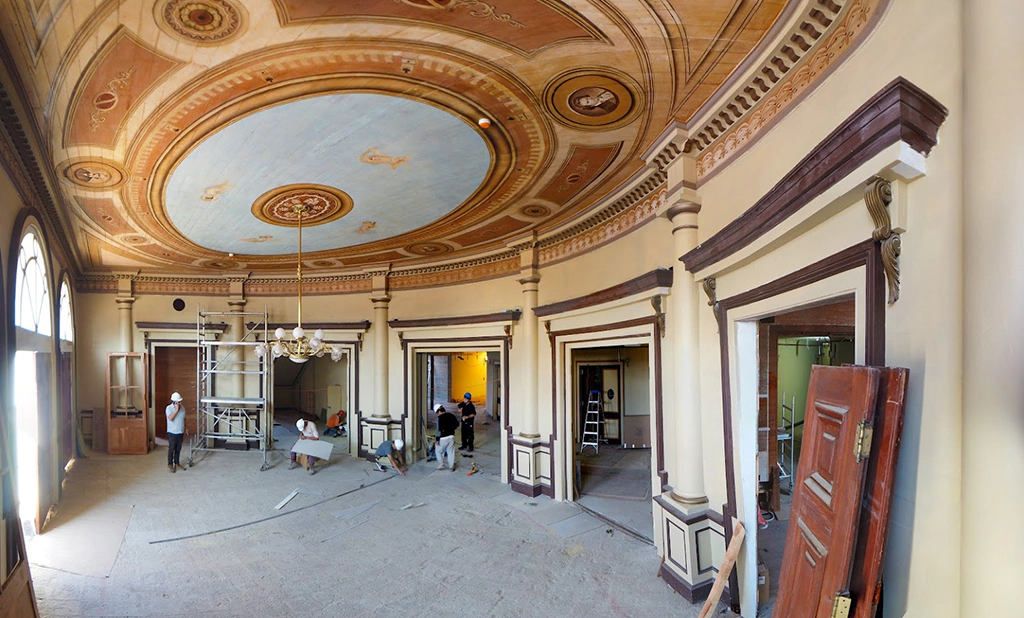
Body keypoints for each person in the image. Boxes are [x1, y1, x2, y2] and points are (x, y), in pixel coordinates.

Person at [165, 392, 187, 473]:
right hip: (172, 432)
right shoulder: (169, 408)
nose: (180, 403)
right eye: (179, 402)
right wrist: (176, 410)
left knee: (178, 449)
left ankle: (177, 463)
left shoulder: (183, 408)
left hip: (180, 432)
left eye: (180, 402)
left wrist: (186, 428)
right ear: (174, 402)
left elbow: (184, 419)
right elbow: (170, 418)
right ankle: (170, 464)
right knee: (171, 449)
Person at [434, 404, 459, 471]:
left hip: (443, 438)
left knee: (438, 451)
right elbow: (457, 424)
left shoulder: (439, 418)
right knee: (451, 451)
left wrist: (437, 439)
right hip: (451, 437)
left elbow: (438, 430)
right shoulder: (451, 415)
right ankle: (451, 466)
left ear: (439, 411)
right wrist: (451, 429)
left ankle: (441, 463)